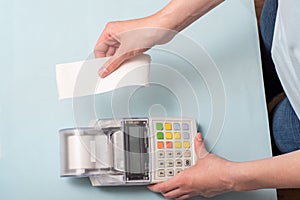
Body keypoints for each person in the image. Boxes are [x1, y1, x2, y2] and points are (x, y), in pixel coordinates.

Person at [94, 0, 300, 199]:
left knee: (278, 131)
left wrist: (230, 178)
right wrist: (159, 24)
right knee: (259, 66)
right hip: (286, 19)